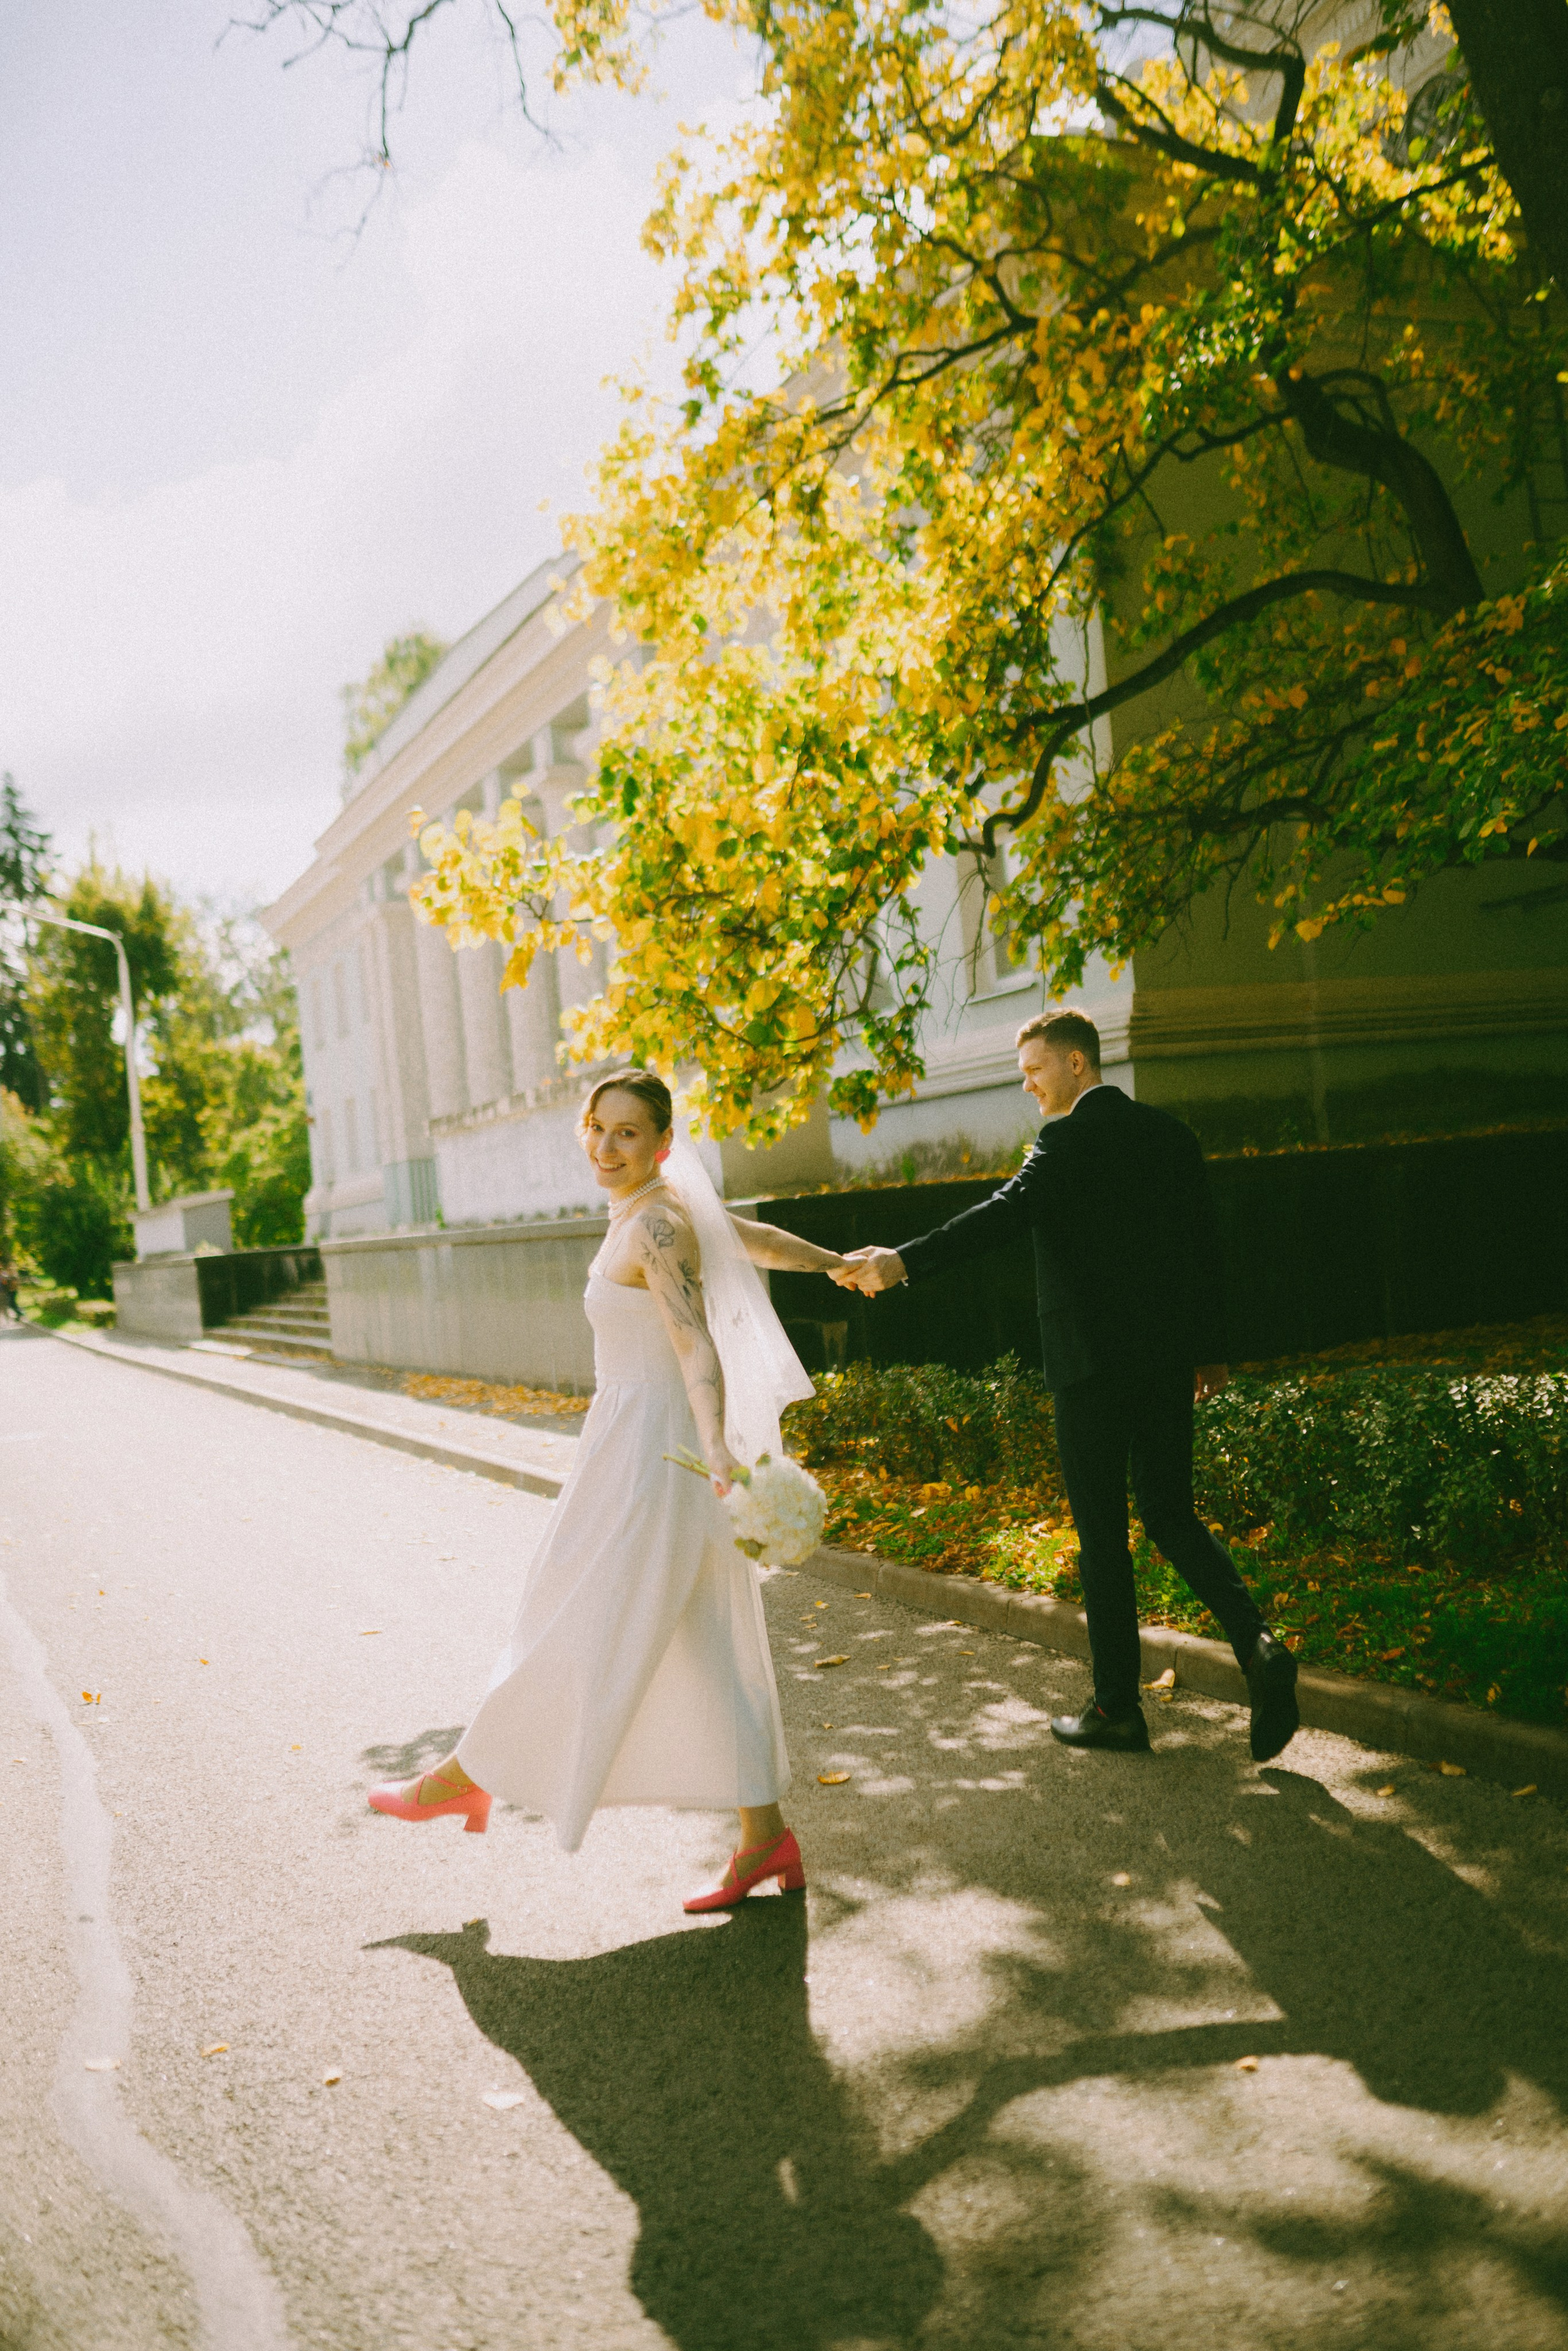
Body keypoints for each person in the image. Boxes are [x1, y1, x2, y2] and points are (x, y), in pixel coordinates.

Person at [367, 1068, 856, 1910]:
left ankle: (461, 1776)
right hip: (630, 1440)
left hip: (659, 1454)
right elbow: (755, 1238)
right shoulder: (653, 1210)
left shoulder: (658, 1221)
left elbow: (696, 1343)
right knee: (704, 1637)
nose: (606, 1145)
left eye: (627, 1132)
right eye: (597, 1127)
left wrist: (716, 1449)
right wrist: (838, 1263)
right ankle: (765, 1838)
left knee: (576, 1616)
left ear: (663, 1143)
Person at [832, 1009, 1299, 1763]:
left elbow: (1002, 1214)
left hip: (1089, 1368)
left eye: (1034, 1070)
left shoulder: (1065, 1140)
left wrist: (902, 1261)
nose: (1028, 1086)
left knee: (1102, 1538)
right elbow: (1207, 1253)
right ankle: (1259, 1644)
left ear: (1077, 1064)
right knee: (1170, 1513)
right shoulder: (1170, 1135)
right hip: (1166, 1362)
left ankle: (1117, 1707)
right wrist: (1208, 1355)